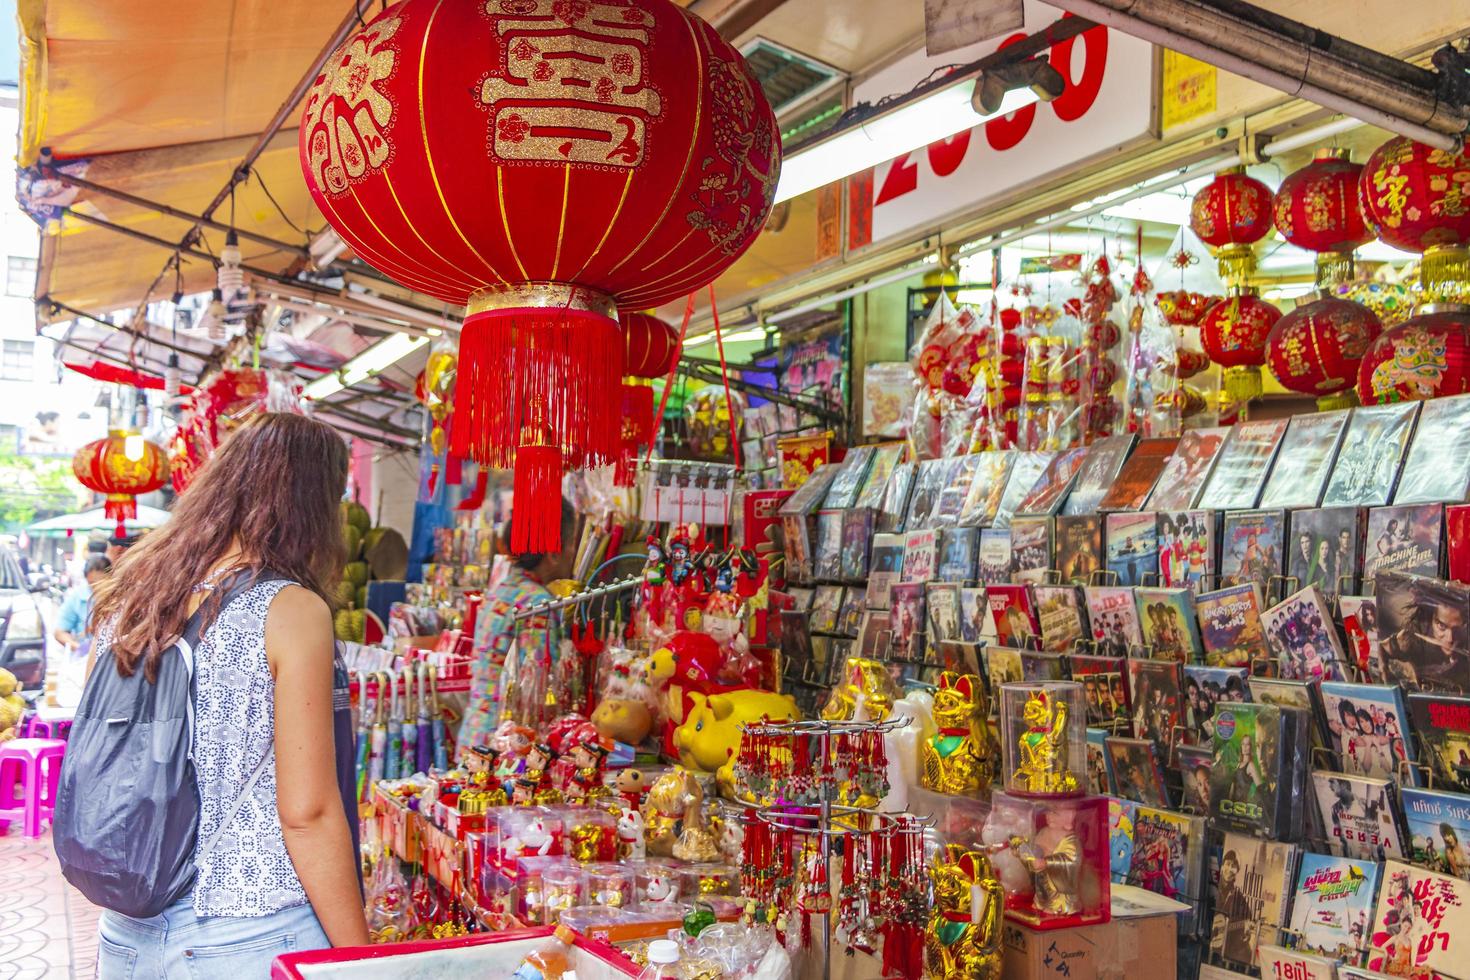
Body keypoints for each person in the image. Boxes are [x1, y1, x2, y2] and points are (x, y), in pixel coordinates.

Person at [87, 414, 368, 975]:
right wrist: (363, 958)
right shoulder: (289, 608)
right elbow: (307, 813)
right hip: (246, 934)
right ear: (313, 505)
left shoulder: (131, 597)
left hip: (125, 931)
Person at [460, 501, 580, 756]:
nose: (573, 552)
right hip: (505, 747)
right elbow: (536, 691)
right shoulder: (537, 605)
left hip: (475, 734)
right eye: (571, 543)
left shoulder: (499, 591)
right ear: (554, 553)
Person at [53, 555, 110, 659]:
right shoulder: (78, 597)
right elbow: (59, 633)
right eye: (92, 584)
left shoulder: (120, 599)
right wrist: (80, 649)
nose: (96, 588)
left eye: (101, 583)